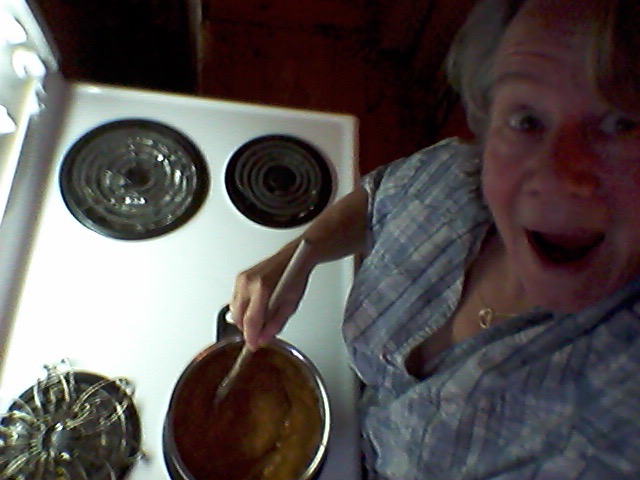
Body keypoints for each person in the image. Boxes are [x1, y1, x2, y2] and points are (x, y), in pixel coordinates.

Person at [229, 0, 640, 478]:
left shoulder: (621, 413)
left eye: (621, 123)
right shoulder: (451, 178)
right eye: (527, 120)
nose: (553, 175)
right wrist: (301, 255)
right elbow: (377, 196)